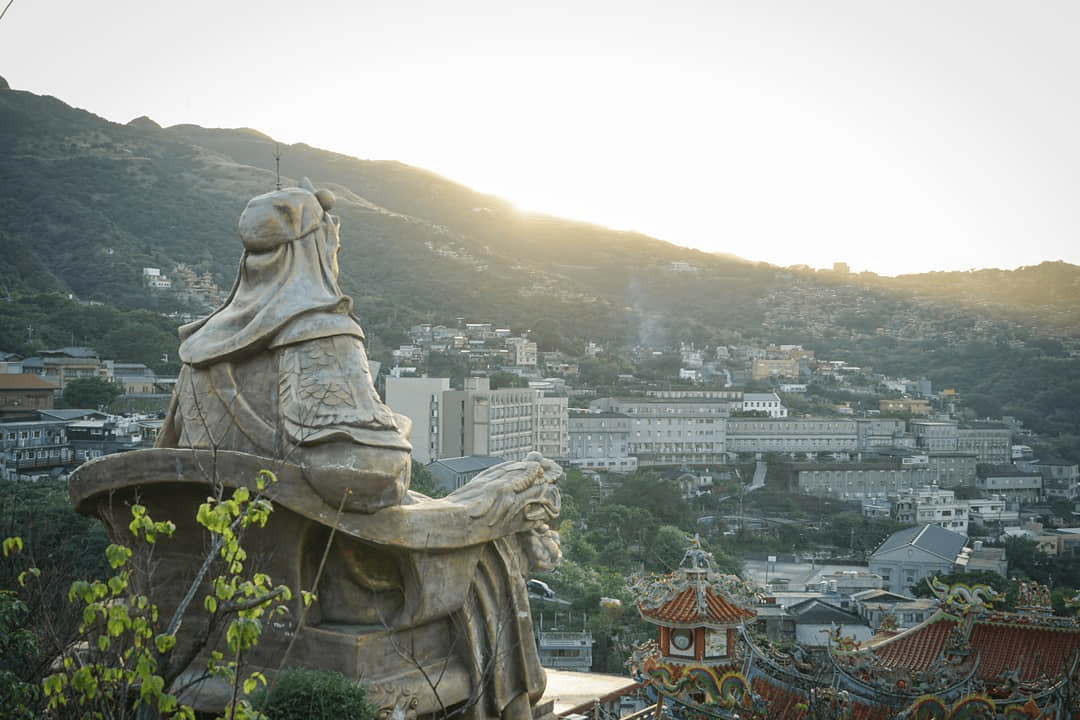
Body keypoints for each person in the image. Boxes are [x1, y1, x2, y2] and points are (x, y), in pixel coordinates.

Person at [157, 179, 412, 512]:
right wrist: (396, 431)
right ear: (314, 249)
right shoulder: (321, 332)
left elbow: (164, 459)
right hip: (286, 545)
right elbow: (363, 476)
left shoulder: (201, 345)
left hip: (201, 534)